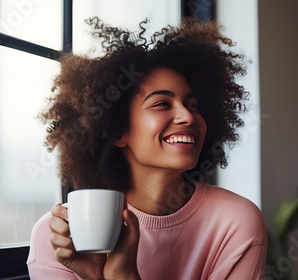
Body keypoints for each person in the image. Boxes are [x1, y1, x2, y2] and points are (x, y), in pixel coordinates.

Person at [26, 17, 267, 280]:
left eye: (193, 105)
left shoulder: (235, 222)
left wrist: (123, 274)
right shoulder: (60, 238)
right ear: (118, 130)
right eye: (162, 104)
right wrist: (94, 276)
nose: (188, 117)